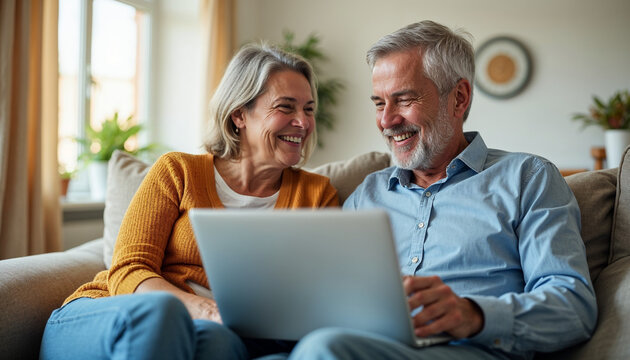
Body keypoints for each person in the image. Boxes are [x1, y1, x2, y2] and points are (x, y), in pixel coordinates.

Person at [288, 20, 597, 360]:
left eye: (403, 99)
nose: (387, 121)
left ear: (459, 98)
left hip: (470, 350)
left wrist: (473, 315)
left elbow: (573, 308)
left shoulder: (527, 178)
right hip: (367, 346)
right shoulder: (369, 192)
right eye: (379, 103)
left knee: (324, 349)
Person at [40, 43, 339, 360]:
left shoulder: (318, 195)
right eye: (286, 107)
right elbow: (128, 269)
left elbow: (323, 297)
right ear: (239, 114)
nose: (303, 122)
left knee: (216, 342)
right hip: (110, 316)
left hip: (219, 335)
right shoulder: (177, 171)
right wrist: (208, 311)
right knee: (164, 313)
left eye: (308, 109)